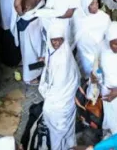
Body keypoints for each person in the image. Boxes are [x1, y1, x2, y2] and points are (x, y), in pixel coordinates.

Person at [39, 19, 79, 150]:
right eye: (53, 40)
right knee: (66, 130)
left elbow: (59, 85)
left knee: (58, 130)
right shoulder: (57, 50)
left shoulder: (63, 59)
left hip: (62, 100)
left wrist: (46, 92)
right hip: (62, 98)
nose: (56, 43)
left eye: (59, 39)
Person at [73, 0, 111, 77]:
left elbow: (109, 35)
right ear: (85, 6)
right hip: (85, 54)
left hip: (101, 53)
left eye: (97, 2)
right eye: (92, 4)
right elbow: (77, 39)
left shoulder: (104, 17)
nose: (96, 5)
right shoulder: (79, 18)